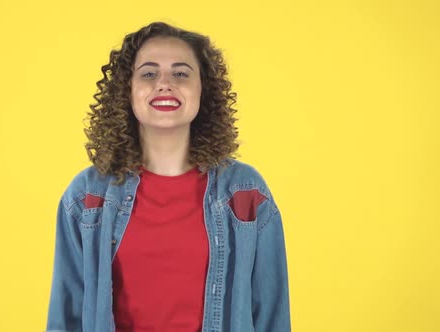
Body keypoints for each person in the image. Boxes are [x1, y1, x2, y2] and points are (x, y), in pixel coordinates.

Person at [45, 21, 291, 332]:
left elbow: (272, 314)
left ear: (203, 90)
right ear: (128, 90)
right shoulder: (87, 195)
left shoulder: (246, 193)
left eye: (181, 73)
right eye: (148, 73)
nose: (165, 83)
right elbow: (66, 315)